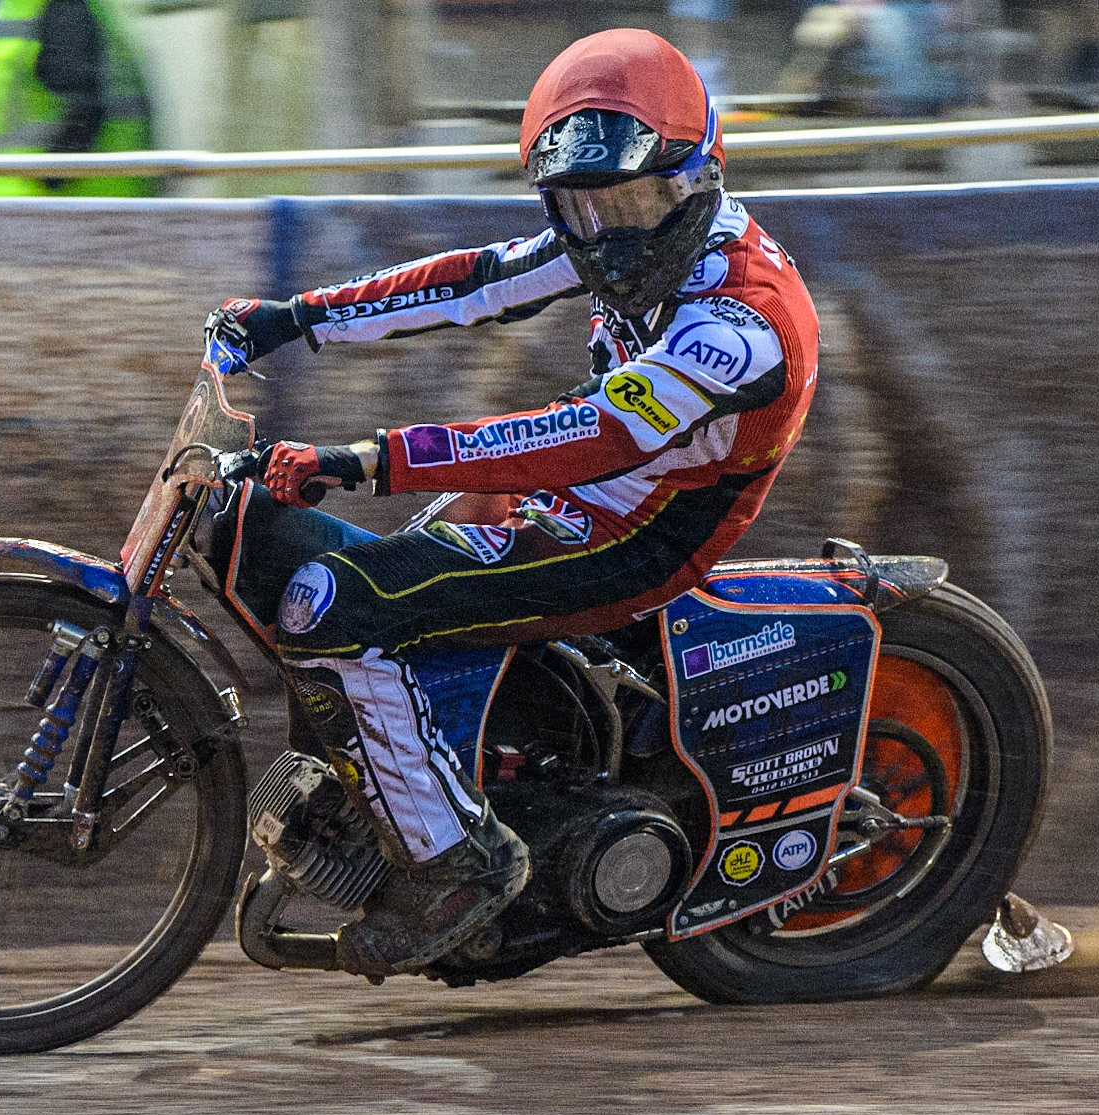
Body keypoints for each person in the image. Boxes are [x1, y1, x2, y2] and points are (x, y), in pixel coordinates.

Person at [203, 28, 821, 980]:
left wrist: (369, 459)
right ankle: (396, 795)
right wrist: (296, 318)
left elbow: (593, 436)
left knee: (333, 602)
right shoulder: (612, 237)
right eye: (580, 203)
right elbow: (476, 281)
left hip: (637, 538)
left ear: (695, 178)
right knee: (255, 530)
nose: (605, 225)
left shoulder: (742, 323)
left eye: (629, 196)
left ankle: (459, 864)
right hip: (566, 498)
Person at [0, 0, 155, 197]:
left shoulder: (64, 7)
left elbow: (82, 107)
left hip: (57, 206)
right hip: (27, 202)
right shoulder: (20, 8)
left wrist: (49, 179)